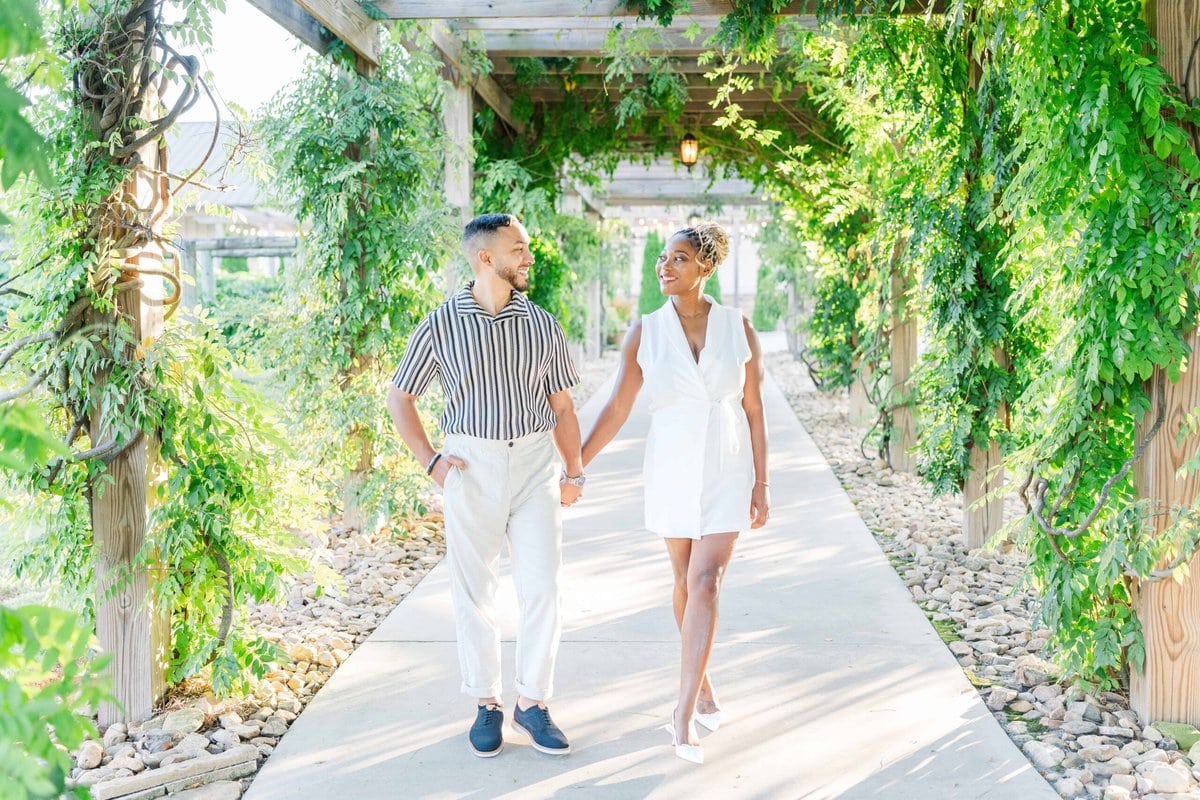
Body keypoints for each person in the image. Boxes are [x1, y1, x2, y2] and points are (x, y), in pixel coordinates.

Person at [386, 213, 587, 759]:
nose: (528, 257)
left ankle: (533, 702)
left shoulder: (543, 324)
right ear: (485, 257)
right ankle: (486, 704)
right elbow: (400, 396)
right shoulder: (440, 324)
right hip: (470, 462)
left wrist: (573, 471)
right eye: (518, 249)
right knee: (475, 593)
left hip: (533, 464)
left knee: (543, 586)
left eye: (526, 247)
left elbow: (562, 405)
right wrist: (431, 461)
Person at [580, 221, 769, 765]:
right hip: (670, 466)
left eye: (679, 259)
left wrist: (762, 482)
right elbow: (617, 407)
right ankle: (704, 683)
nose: (664, 266)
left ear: (705, 268)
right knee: (684, 582)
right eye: (663, 258)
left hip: (728, 467)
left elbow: (753, 410)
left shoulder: (739, 327)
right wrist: (576, 466)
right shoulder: (646, 331)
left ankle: (681, 713)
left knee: (706, 581)